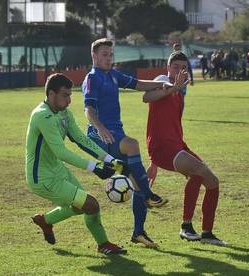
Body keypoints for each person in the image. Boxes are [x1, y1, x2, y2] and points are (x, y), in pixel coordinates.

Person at [82, 38, 171, 248]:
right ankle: (150, 196)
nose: (108, 58)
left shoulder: (113, 75)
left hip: (115, 133)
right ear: (94, 56)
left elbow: (138, 84)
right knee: (132, 144)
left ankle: (138, 233)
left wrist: (163, 84)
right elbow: (89, 109)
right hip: (101, 137)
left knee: (137, 183)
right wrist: (101, 128)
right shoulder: (92, 78)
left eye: (111, 55)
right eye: (104, 55)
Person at [26, 73, 127, 255]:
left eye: (70, 95)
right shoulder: (42, 116)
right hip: (42, 178)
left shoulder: (64, 113)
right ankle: (103, 244)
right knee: (91, 205)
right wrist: (94, 167)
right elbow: (61, 152)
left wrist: (110, 160)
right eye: (65, 95)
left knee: (82, 207)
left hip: (57, 170)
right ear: (51, 94)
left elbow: (81, 139)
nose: (69, 100)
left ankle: (46, 220)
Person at [143, 51, 227, 246]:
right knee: (198, 170)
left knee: (212, 181)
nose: (179, 71)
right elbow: (147, 97)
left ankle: (206, 233)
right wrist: (172, 88)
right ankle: (186, 226)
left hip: (178, 145)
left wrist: (177, 89)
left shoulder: (180, 93)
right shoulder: (163, 80)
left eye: (183, 68)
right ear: (168, 68)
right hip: (163, 147)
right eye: (175, 67)